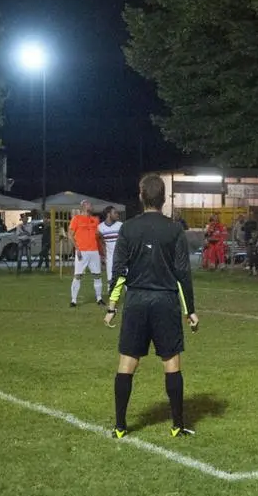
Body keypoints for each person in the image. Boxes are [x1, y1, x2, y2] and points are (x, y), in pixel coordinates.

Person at [103, 174, 198, 439]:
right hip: (165, 302)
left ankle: (120, 426)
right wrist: (190, 310)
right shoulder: (174, 229)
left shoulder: (128, 228)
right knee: (171, 361)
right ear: (164, 198)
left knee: (127, 363)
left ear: (141, 195)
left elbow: (119, 271)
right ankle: (176, 425)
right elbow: (182, 274)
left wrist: (112, 305)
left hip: (136, 303)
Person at [69, 200, 103, 307]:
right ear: (83, 206)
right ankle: (73, 300)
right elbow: (70, 235)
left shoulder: (95, 219)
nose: (92, 206)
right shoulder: (77, 218)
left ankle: (99, 298)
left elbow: (98, 235)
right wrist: (77, 249)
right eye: (89, 204)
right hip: (82, 251)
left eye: (92, 204)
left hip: (94, 251)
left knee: (97, 275)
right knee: (78, 275)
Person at [98, 206, 123, 283]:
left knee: (125, 278)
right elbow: (101, 241)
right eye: (115, 213)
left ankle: (129, 295)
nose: (117, 215)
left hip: (122, 256)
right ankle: (112, 295)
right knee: (111, 279)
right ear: (108, 214)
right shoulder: (100, 227)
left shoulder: (121, 225)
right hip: (110, 257)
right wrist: (104, 255)